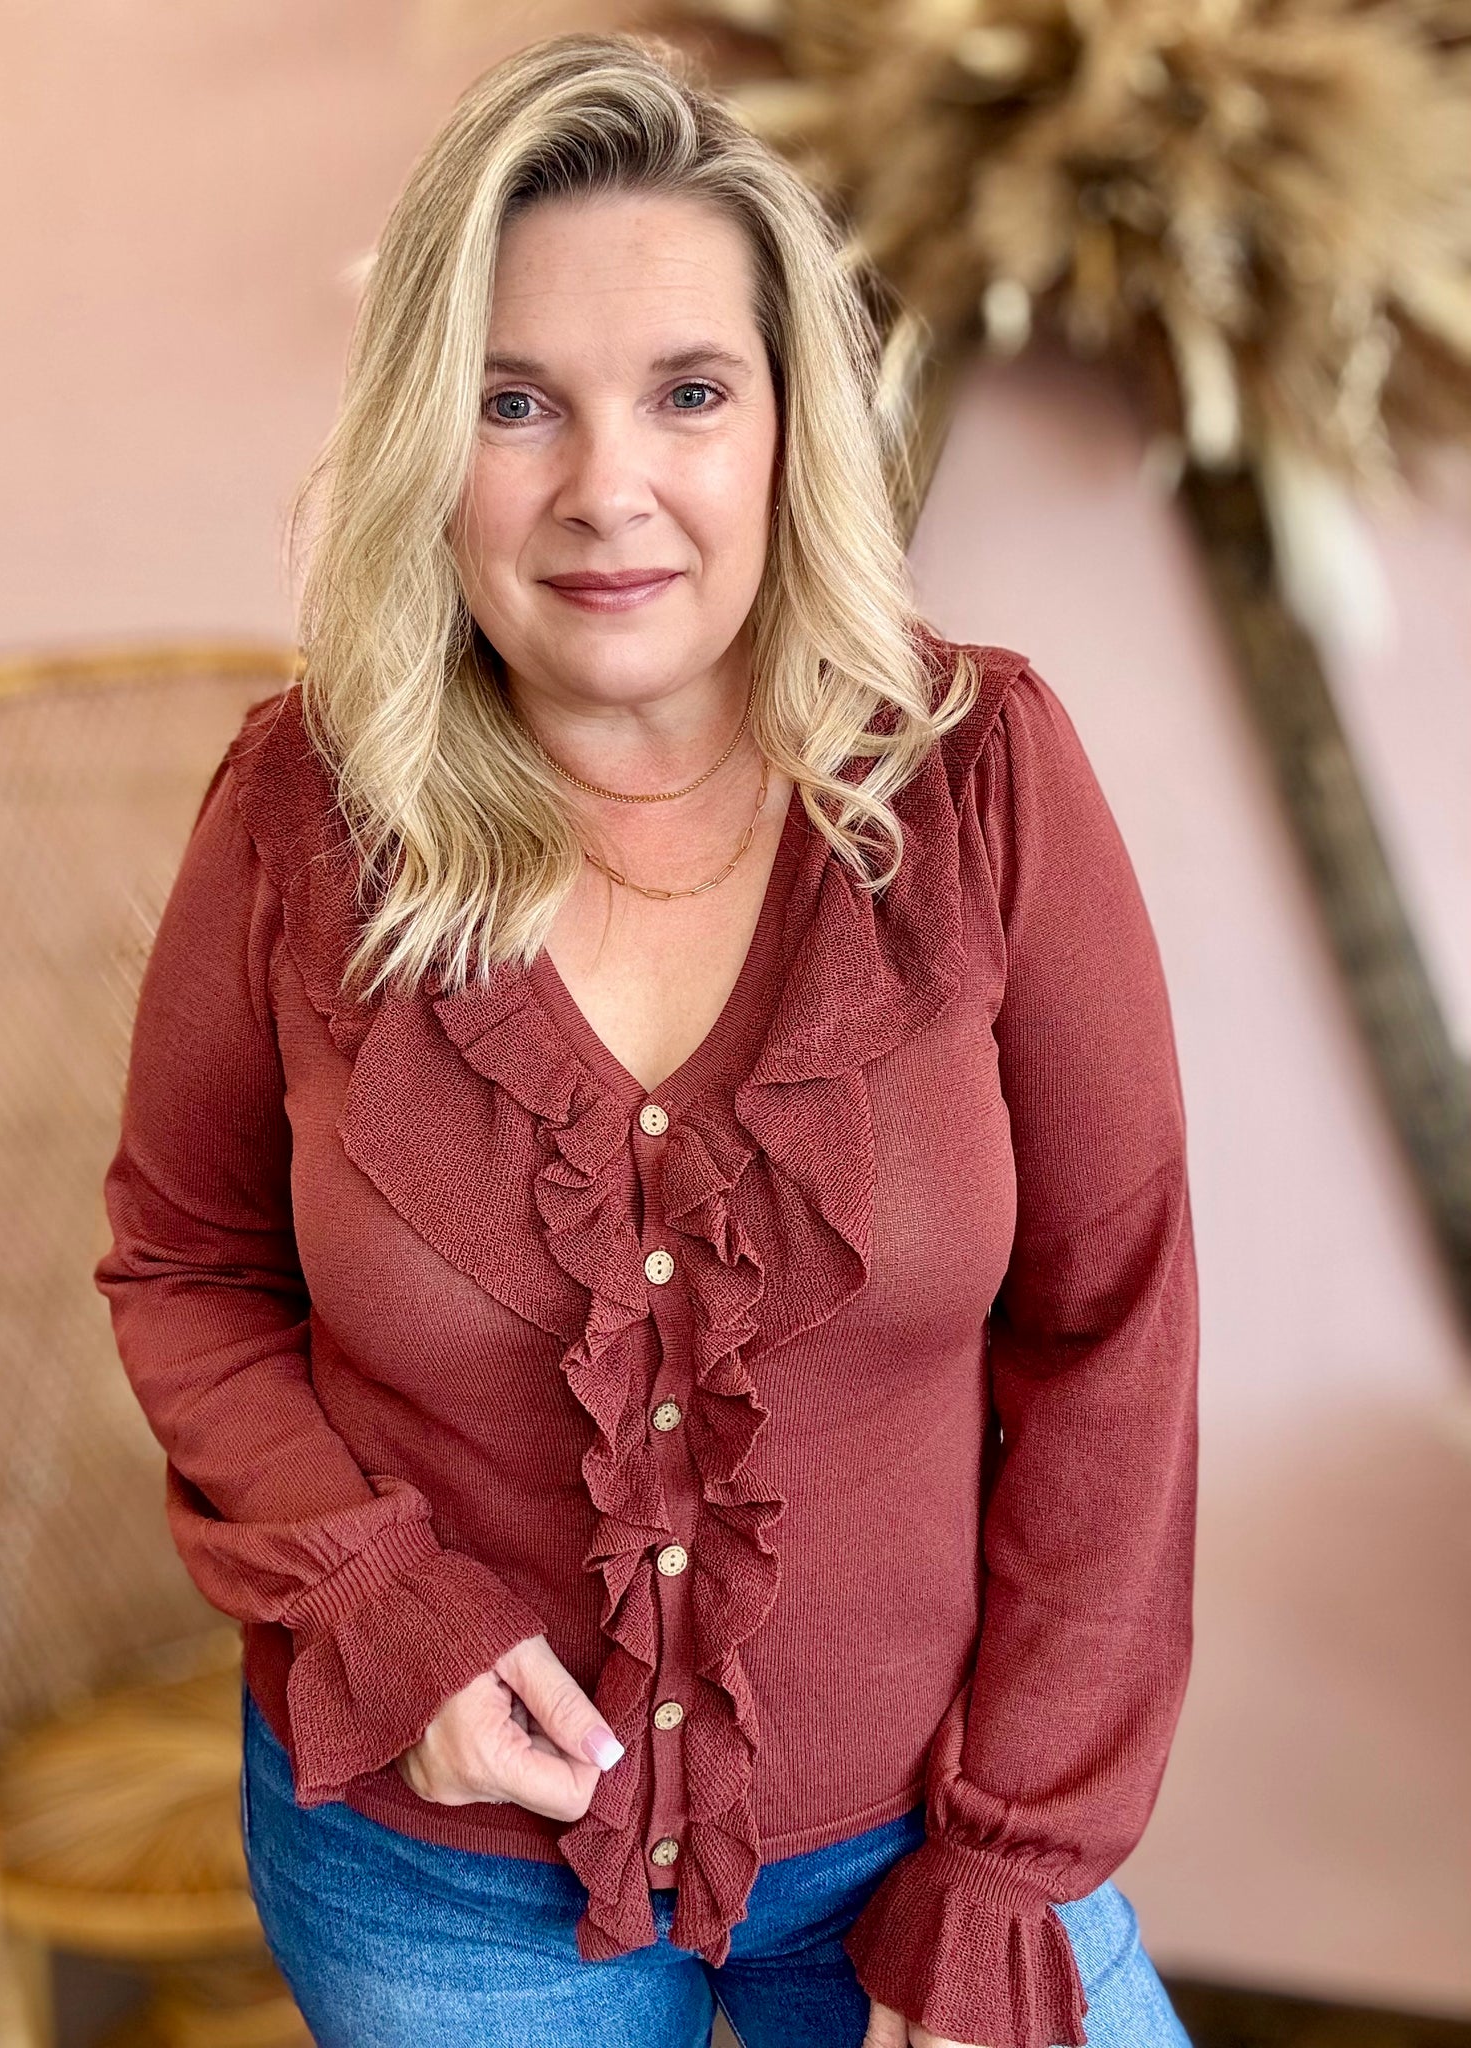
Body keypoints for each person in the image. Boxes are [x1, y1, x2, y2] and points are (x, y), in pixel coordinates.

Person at [95, 29, 1200, 2048]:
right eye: (517, 401)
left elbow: (1117, 1333)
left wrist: (999, 1883)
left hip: (921, 1858)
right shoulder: (298, 814)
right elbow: (186, 1267)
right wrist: (379, 1613)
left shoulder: (984, 784)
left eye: (688, 391)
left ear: (793, 424)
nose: (608, 488)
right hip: (441, 1882)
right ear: (432, 433)